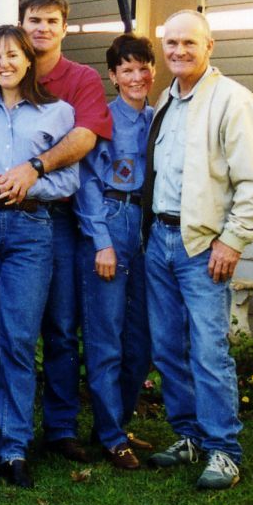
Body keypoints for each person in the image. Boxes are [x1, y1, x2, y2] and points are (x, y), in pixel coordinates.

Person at [0, 0, 109, 462]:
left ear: (62, 27)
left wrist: (33, 174)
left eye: (49, 22)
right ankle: (0, 433)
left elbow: (81, 145)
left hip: (39, 223)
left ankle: (43, 435)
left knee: (46, 331)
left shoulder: (69, 92)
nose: (41, 29)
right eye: (32, 21)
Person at [143, 10, 253, 491]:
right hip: (159, 240)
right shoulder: (167, 102)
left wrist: (233, 240)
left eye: (188, 43)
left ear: (209, 46)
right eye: (171, 42)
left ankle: (224, 450)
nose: (178, 51)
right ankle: (189, 436)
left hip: (203, 246)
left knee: (208, 351)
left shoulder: (232, 101)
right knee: (168, 347)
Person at [74, 33, 157, 470]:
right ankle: (109, 436)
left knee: (141, 336)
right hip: (111, 218)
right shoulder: (103, 119)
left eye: (144, 67)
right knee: (106, 334)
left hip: (149, 226)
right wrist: (101, 241)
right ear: (113, 75)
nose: (137, 76)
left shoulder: (161, 119)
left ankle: (117, 422)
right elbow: (87, 181)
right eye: (127, 69)